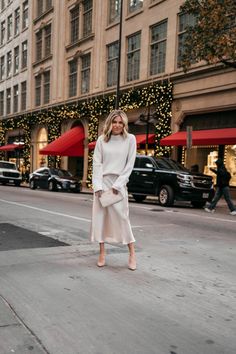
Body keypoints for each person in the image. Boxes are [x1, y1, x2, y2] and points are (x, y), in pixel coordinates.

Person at [90, 109, 137, 270]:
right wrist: (97, 186)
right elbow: (97, 164)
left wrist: (118, 185)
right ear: (109, 123)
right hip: (102, 184)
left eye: (120, 122)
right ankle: (102, 253)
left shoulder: (130, 139)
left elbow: (129, 165)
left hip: (119, 185)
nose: (117, 125)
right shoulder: (101, 140)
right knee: (100, 219)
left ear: (124, 124)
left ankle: (132, 253)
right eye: (114, 122)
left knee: (123, 218)